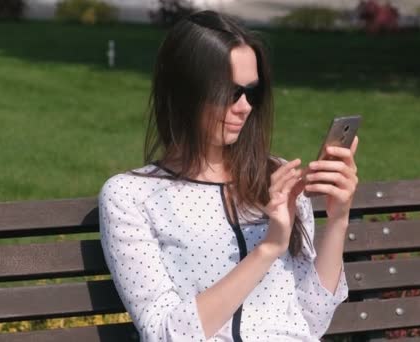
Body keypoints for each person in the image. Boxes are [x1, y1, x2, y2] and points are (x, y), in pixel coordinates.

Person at [98, 10, 359, 342]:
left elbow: (313, 320)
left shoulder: (276, 179)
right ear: (184, 91)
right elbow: (166, 334)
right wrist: (269, 248)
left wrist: (338, 219)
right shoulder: (131, 196)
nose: (245, 106)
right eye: (229, 92)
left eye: (252, 91)